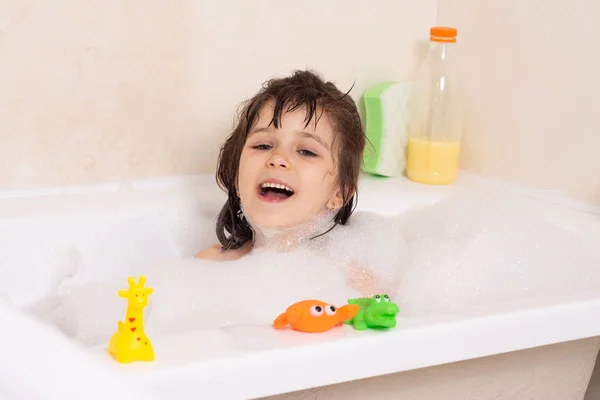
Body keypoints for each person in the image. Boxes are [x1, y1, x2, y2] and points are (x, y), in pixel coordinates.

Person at [195, 69, 366, 261]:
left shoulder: (351, 279)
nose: (277, 158)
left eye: (306, 151)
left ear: (340, 192)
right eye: (263, 145)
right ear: (237, 177)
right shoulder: (210, 265)